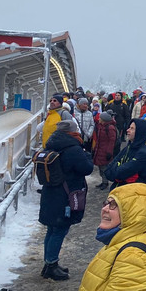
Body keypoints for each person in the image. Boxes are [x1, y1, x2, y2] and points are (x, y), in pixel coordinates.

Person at [23, 183, 146, 291]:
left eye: (114, 205)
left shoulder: (135, 258)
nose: (105, 209)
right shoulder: (118, 245)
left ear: (134, 214)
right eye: (106, 203)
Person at [38, 120, 93, 281]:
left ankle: (49, 263)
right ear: (72, 131)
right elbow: (86, 169)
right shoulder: (73, 148)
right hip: (65, 195)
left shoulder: (52, 144)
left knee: (51, 229)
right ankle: (51, 266)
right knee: (59, 230)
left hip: (51, 193)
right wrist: (87, 156)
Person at [104, 119, 146, 188]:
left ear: (140, 132)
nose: (127, 130)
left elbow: (119, 173)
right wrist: (115, 170)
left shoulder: (143, 154)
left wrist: (116, 169)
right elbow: (108, 170)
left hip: (133, 193)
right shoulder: (128, 148)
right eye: (129, 127)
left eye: (132, 128)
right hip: (120, 190)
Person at [92, 111, 118, 190]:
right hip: (100, 150)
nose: (99, 119)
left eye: (100, 118)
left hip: (105, 151)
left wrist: (109, 152)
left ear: (103, 119)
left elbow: (112, 141)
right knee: (101, 167)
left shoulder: (110, 128)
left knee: (104, 168)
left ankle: (105, 182)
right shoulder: (100, 126)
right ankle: (103, 181)